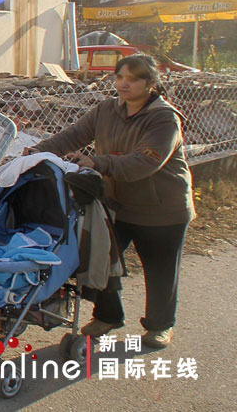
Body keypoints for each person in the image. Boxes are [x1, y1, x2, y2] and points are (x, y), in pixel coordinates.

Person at [26, 54, 195, 349]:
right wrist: (37, 151)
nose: (123, 84)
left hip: (161, 209)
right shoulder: (107, 109)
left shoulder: (164, 118)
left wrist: (98, 162)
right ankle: (107, 316)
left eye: (132, 79)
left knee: (160, 270)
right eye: (119, 77)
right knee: (99, 261)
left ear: (151, 83)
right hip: (117, 203)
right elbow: (73, 136)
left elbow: (145, 162)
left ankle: (160, 326)